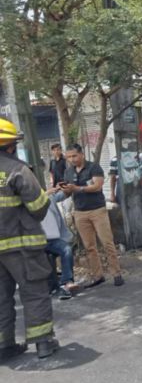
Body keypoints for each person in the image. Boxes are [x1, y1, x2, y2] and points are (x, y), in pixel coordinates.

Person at [0, 118, 59, 360]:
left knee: (1, 297)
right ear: (11, 145)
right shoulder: (17, 169)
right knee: (34, 292)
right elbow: (38, 206)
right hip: (21, 245)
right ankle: (43, 343)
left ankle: (4, 346)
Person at [61, 144, 123, 287]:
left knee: (107, 242)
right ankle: (97, 275)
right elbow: (68, 192)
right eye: (69, 157)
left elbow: (97, 186)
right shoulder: (68, 172)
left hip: (97, 210)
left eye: (74, 156)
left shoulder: (93, 167)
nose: (72, 159)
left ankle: (116, 273)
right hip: (79, 212)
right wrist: (63, 190)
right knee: (89, 247)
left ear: (81, 154)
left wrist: (77, 188)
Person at [42, 188, 77, 300]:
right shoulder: (26, 202)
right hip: (37, 241)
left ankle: (66, 283)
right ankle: (53, 288)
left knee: (66, 250)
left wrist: (65, 187)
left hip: (54, 239)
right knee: (47, 260)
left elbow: (65, 194)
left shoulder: (49, 198)